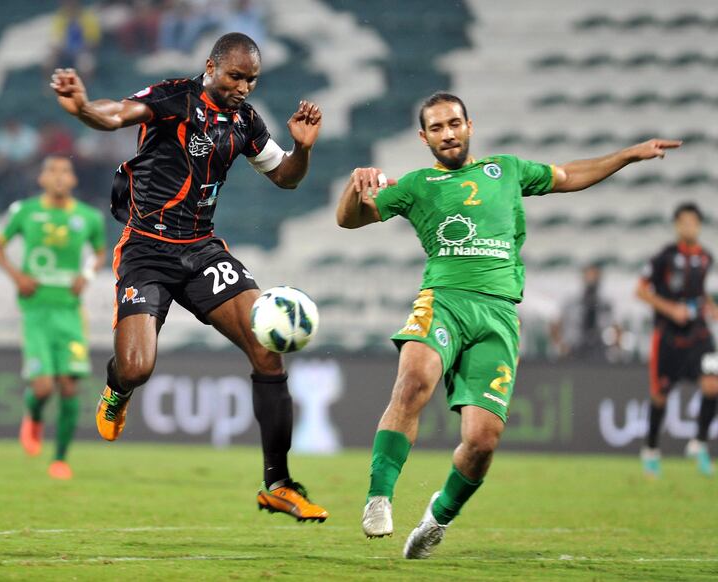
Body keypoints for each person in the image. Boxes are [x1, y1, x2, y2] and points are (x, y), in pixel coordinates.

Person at [336, 92, 681, 558]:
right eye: (436, 128)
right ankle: (379, 496)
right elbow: (350, 221)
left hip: (498, 313)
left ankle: (438, 518)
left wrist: (625, 155)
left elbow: (568, 175)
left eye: (454, 123)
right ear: (424, 137)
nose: (448, 133)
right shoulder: (416, 184)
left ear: (469, 125)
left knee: (481, 442)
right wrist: (353, 189)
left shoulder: (507, 170)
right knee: (414, 380)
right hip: (443, 300)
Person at [50, 32, 328, 521]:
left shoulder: (245, 122)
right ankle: (117, 390)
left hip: (201, 251)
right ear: (212, 66)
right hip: (146, 251)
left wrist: (301, 150)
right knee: (136, 367)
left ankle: (278, 484)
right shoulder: (173, 98)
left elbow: (286, 177)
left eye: (252, 79)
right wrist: (80, 110)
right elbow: (114, 114)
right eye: (236, 76)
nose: (244, 87)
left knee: (267, 347)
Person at [0, 155, 107, 480]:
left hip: (70, 311)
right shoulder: (25, 211)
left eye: (66, 171)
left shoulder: (88, 218)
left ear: (73, 180)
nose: (59, 176)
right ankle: (34, 415)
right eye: (52, 171)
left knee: (69, 386)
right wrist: (18, 277)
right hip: (37, 310)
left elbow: (99, 252)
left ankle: (60, 459)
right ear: (41, 179)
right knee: (43, 387)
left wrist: (86, 273)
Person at [636, 202, 718, 478]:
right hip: (668, 336)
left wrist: (709, 306)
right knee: (660, 396)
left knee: (713, 384)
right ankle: (651, 450)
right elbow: (641, 290)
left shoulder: (706, 257)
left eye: (693, 222)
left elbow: (700, 291)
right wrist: (670, 309)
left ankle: (699, 443)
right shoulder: (664, 257)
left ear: (699, 225)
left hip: (698, 333)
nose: (688, 227)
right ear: (676, 225)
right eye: (683, 222)